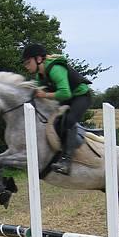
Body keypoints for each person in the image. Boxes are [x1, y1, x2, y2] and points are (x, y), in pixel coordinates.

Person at [22, 43, 92, 175]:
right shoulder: (40, 76)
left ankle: (66, 161)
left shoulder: (55, 69)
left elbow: (65, 93)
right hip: (67, 99)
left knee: (68, 121)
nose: (26, 66)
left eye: (28, 62)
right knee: (52, 122)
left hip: (81, 96)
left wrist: (44, 95)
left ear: (38, 59)